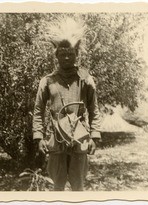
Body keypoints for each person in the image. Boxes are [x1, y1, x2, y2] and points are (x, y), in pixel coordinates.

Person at [32, 18, 102, 191]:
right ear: (56, 56)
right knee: (58, 185)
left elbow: (94, 109)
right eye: (62, 54)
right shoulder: (47, 81)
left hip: (80, 139)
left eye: (70, 53)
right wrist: (39, 137)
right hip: (56, 139)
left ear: (76, 54)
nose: (66, 57)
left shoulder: (85, 80)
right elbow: (39, 110)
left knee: (78, 186)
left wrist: (94, 136)